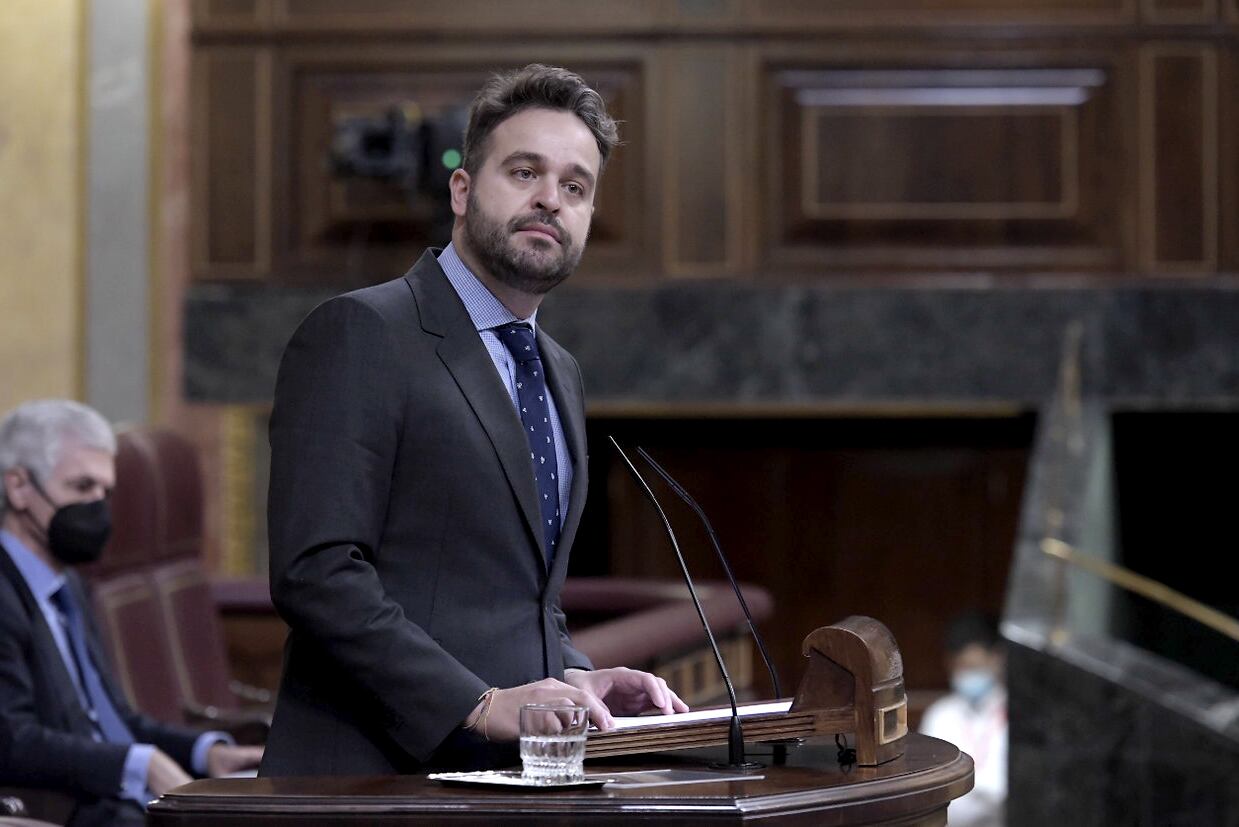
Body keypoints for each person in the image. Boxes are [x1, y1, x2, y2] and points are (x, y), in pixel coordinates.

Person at [261, 63, 688, 776]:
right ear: (461, 190)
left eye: (575, 187)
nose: (550, 199)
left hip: (502, 780)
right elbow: (317, 571)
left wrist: (573, 673)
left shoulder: (558, 367)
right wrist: (478, 700)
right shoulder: (362, 332)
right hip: (366, 778)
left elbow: (516, 591)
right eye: (524, 172)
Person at [0, 399, 263, 827]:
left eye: (105, 492)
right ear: (19, 487)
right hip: (64, 810)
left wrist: (206, 752)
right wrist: (139, 764)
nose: (98, 507)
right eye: (82, 487)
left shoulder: (73, 587)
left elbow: (113, 720)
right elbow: (12, 741)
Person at [919, 610, 1008, 827]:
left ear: (996, 658)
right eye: (960, 667)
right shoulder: (939, 715)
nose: (966, 675)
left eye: (974, 666)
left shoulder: (1019, 714)